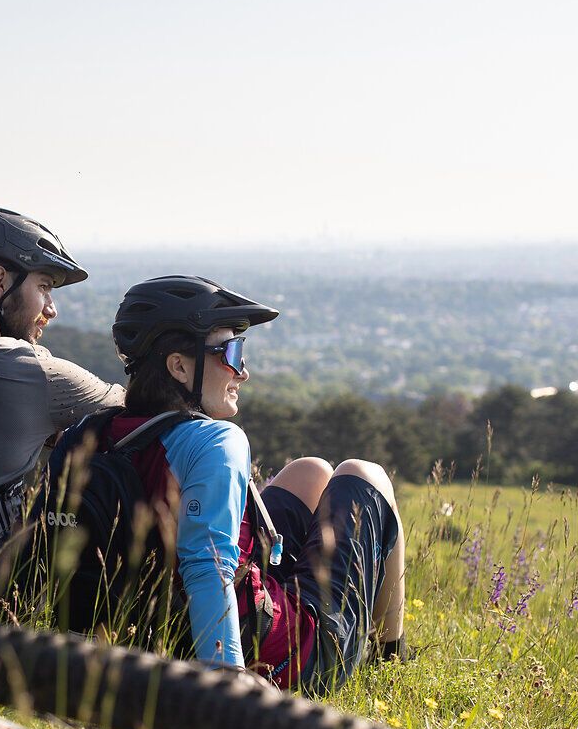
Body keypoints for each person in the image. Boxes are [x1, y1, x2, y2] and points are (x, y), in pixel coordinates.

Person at [81, 274, 408, 686]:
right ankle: (390, 658)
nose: (243, 372)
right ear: (179, 366)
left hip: (153, 635)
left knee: (311, 471)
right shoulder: (214, 441)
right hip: (279, 658)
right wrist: (228, 679)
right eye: (231, 353)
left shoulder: (97, 433)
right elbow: (208, 566)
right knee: (364, 475)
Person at [0, 205, 125, 562]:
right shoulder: (27, 369)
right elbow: (138, 410)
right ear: (1, 280)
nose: (51, 309)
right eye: (44, 287)